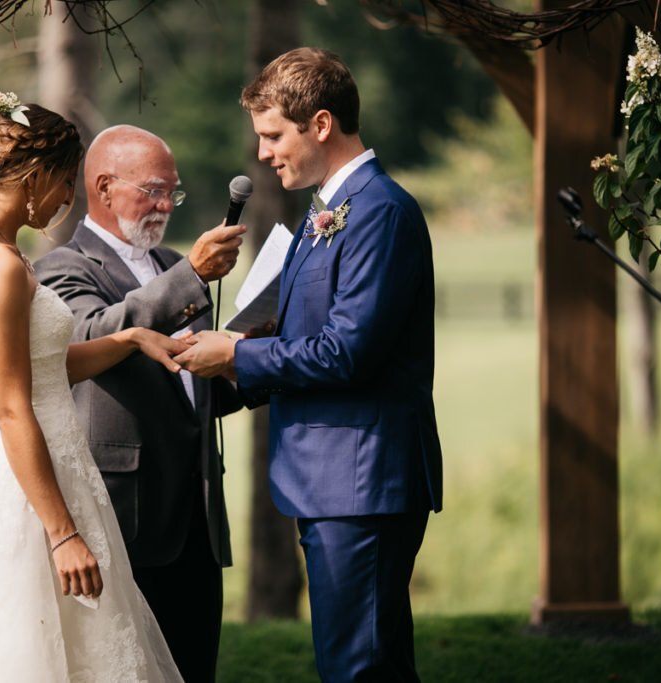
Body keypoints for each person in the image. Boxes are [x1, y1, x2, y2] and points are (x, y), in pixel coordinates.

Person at [175, 48, 444, 682]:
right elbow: (305, 338)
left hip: (362, 480)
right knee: (356, 663)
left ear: (320, 124)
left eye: (273, 136)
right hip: (330, 481)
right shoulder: (320, 218)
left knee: (362, 668)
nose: (264, 153)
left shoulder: (379, 212)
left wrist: (238, 353)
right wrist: (234, 358)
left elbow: (347, 352)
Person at [0, 92, 185, 682]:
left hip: (40, 467)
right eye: (63, 185)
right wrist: (61, 535)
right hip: (27, 488)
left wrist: (130, 338)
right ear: (35, 176)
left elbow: (44, 367)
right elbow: (10, 407)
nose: (65, 202)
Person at [34, 124, 245, 683]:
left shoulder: (172, 262)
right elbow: (87, 335)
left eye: (172, 193)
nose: (165, 205)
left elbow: (188, 385)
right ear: (104, 188)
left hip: (197, 514)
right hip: (125, 515)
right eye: (153, 189)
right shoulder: (63, 267)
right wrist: (193, 275)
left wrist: (250, 358)